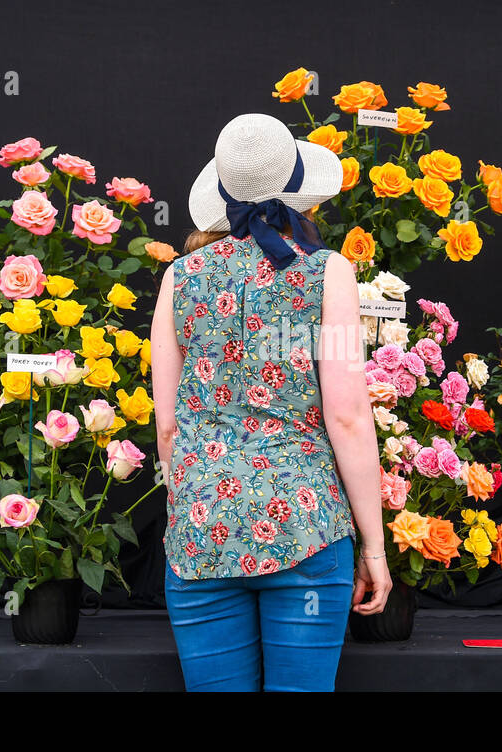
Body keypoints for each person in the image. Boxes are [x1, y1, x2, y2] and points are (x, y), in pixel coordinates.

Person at [149, 113, 390, 692]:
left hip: (203, 531)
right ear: (296, 187)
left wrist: (205, 509)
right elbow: (348, 417)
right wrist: (376, 549)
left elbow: (166, 427)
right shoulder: (328, 273)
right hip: (307, 527)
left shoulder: (179, 278)